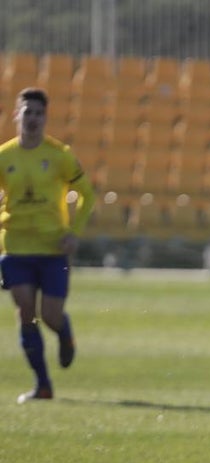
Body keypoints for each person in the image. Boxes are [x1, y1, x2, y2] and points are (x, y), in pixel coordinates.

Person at [0, 88, 95, 403]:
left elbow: (88, 195)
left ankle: (64, 333)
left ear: (46, 118)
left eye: (39, 113)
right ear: (17, 115)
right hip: (15, 248)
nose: (33, 119)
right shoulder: (5, 156)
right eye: (27, 112)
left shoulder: (59, 155)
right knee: (26, 312)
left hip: (53, 248)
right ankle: (43, 385)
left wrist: (74, 232)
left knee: (51, 315)